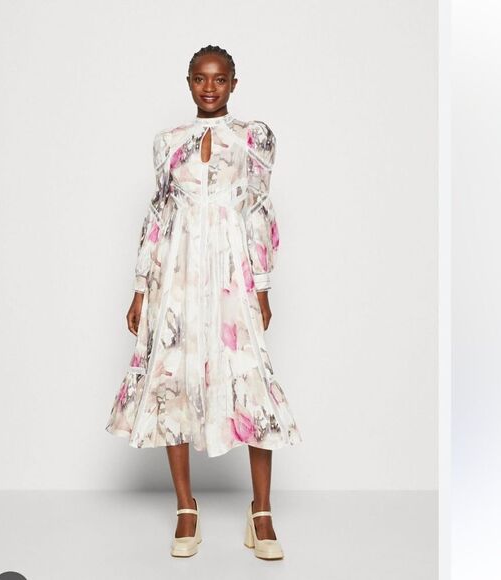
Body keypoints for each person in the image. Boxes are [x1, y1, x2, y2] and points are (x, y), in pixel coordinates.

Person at [105, 44, 302, 559]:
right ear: (188, 82)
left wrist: (262, 287)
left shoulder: (253, 137)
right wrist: (140, 288)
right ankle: (185, 508)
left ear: (234, 82)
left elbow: (259, 211)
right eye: (199, 78)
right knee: (172, 378)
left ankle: (261, 513)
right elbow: (157, 217)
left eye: (219, 78)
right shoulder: (168, 142)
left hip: (232, 273)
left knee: (251, 383)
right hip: (177, 274)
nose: (209, 87)